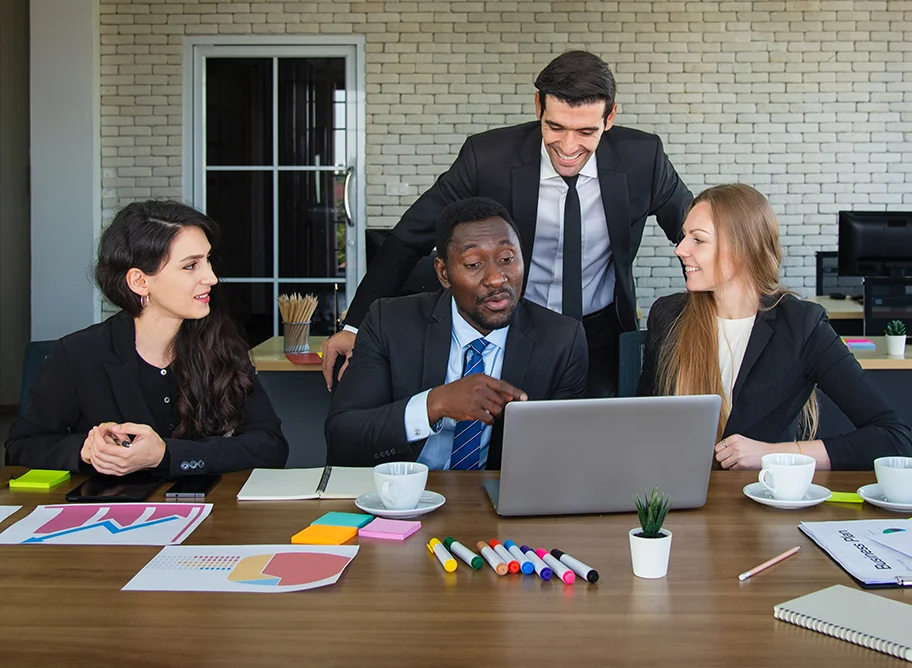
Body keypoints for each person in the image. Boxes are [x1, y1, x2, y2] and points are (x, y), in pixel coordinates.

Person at [323, 50, 692, 398]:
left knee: (593, 447)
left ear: (609, 118)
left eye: (586, 132)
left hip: (600, 331)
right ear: (538, 108)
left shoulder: (643, 158)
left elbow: (696, 234)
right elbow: (408, 238)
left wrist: (734, 313)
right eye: (556, 127)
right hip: (511, 326)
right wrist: (354, 326)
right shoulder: (486, 158)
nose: (567, 146)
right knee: (508, 443)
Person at [636, 184, 912, 471]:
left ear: (742, 249)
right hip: (680, 494)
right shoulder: (669, 315)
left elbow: (892, 437)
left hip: (766, 501)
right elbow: (642, 419)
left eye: (698, 240)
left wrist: (774, 455)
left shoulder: (801, 324)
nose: (680, 249)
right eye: (684, 237)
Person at [6, 201, 289, 476]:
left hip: (214, 514)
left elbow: (270, 447)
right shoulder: (77, 353)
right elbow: (21, 447)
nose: (211, 278)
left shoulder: (222, 343)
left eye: (208, 260)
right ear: (140, 281)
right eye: (191, 266)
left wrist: (167, 454)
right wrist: (87, 450)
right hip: (110, 515)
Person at [326, 197, 588, 469]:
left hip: (501, 500)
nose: (496, 278)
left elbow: (567, 458)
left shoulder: (562, 341)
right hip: (404, 498)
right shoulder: (389, 322)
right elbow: (343, 438)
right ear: (443, 273)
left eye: (507, 259)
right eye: (473, 264)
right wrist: (434, 404)